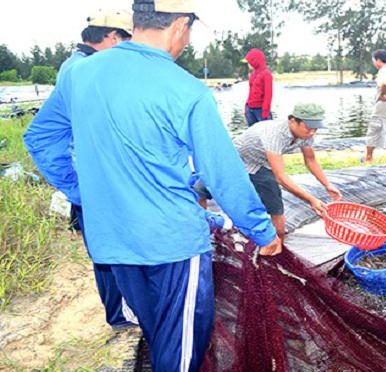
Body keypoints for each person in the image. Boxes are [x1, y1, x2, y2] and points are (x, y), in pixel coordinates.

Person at [24, 1, 281, 370]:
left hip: (113, 241)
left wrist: (83, 192)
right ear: (179, 25)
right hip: (172, 245)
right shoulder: (187, 90)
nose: (187, 41)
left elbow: (42, 140)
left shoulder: (80, 74)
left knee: (157, 333)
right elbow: (223, 173)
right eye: (190, 31)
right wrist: (261, 230)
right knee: (179, 352)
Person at [53, 9, 136, 331]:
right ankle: (120, 316)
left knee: (105, 249)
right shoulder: (87, 69)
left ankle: (119, 314)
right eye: (125, 42)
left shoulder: (73, 65)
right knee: (110, 251)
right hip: (95, 179)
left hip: (88, 178)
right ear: (113, 37)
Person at [235, 103, 342, 241]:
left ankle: (279, 241)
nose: (312, 132)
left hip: (261, 164)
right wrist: (311, 199)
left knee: (276, 205)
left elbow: (310, 160)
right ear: (292, 120)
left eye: (316, 128)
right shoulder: (274, 134)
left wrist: (327, 185)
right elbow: (281, 176)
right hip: (236, 157)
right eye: (308, 127)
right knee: (204, 188)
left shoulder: (307, 135)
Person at [243, 48, 273, 126]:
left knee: (266, 133)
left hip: (261, 110)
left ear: (255, 61)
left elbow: (268, 95)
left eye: (249, 62)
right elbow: (250, 92)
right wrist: (246, 106)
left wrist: (265, 112)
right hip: (250, 109)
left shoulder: (266, 74)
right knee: (252, 134)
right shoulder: (252, 74)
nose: (248, 64)